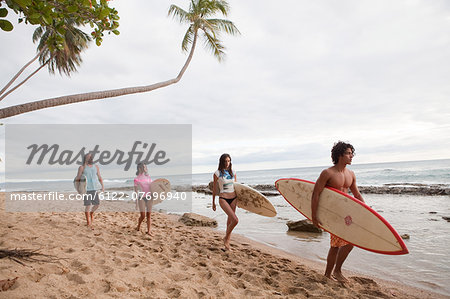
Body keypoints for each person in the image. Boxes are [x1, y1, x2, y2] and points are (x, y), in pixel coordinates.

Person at [311, 141, 364, 282]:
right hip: (333, 214)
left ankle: (336, 271)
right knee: (335, 246)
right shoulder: (328, 173)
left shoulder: (351, 174)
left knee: (351, 242)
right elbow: (315, 194)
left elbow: (357, 195)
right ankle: (329, 274)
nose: (351, 156)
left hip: (347, 214)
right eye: (348, 153)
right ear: (340, 155)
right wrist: (314, 216)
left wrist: (366, 211)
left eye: (352, 153)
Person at [212, 153, 238, 251]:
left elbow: (236, 186)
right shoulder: (217, 173)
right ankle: (226, 238)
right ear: (221, 162)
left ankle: (227, 244)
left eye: (228, 161)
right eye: (225, 161)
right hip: (223, 198)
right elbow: (215, 189)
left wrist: (241, 201)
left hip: (234, 198)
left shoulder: (233, 172)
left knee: (230, 221)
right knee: (235, 220)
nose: (227, 163)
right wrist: (213, 202)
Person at [75, 153, 104, 229]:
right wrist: (78, 189)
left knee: (97, 204)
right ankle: (88, 223)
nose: (89, 158)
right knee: (88, 206)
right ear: (85, 159)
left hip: (94, 189)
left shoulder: (96, 167)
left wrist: (102, 186)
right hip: (86, 190)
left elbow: (99, 177)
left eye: (90, 157)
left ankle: (92, 213)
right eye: (87, 157)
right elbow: (78, 179)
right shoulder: (82, 167)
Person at [134, 162, 154, 236]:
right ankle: (138, 226)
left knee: (149, 215)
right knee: (143, 215)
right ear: (140, 168)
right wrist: (136, 203)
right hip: (141, 197)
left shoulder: (148, 177)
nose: (146, 169)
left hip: (149, 197)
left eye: (146, 167)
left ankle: (149, 231)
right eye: (144, 167)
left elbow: (152, 187)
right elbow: (136, 191)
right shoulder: (136, 179)